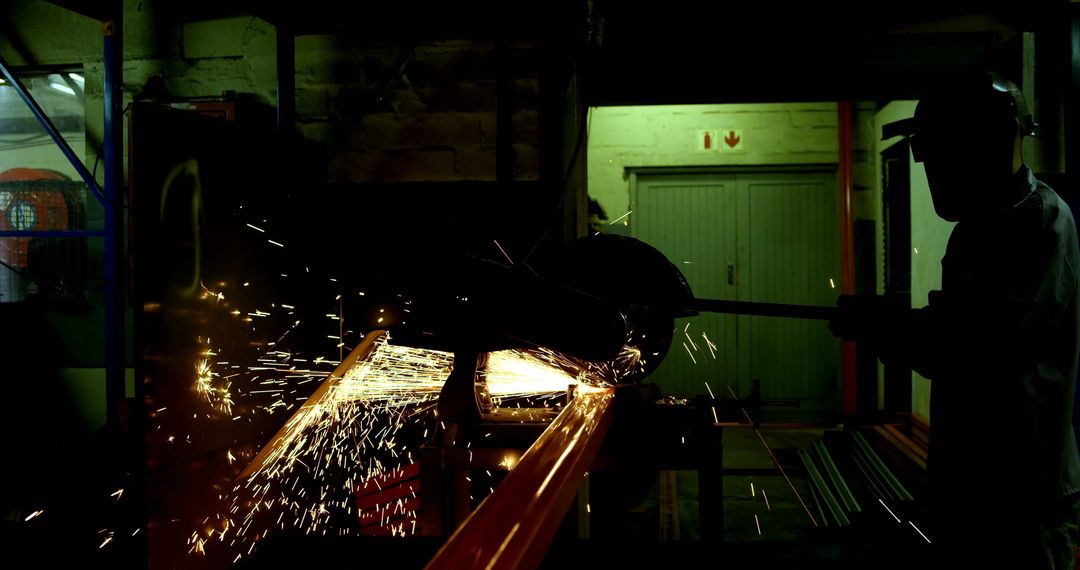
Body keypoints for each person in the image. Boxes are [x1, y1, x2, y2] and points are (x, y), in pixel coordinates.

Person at [830, 70, 1080, 567]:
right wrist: (890, 320)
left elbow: (979, 347)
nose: (932, 173)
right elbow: (961, 321)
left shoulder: (1038, 225)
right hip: (976, 483)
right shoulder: (982, 226)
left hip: (1019, 492)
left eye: (939, 157)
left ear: (986, 145)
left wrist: (883, 326)